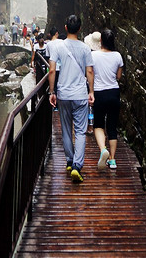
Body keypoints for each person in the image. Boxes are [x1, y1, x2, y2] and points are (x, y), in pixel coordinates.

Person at [48, 15, 94, 183]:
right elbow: (89, 71)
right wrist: (91, 91)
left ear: (66, 27)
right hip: (80, 94)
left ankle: (69, 160)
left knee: (66, 129)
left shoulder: (58, 47)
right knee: (80, 131)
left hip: (64, 94)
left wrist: (52, 92)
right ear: (79, 29)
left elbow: (52, 70)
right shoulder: (85, 48)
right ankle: (76, 166)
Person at [91, 28, 123, 171]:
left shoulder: (94, 55)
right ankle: (113, 160)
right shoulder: (118, 56)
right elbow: (118, 77)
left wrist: (90, 91)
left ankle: (103, 149)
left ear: (101, 41)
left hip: (99, 93)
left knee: (98, 125)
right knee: (112, 127)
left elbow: (90, 73)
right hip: (114, 93)